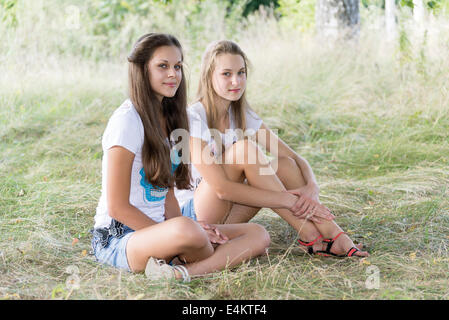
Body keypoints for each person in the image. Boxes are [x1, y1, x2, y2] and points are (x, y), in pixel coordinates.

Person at [90, 34, 271, 282]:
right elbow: (117, 207)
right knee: (189, 230)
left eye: (177, 66)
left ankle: (180, 273)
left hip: (165, 227)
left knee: (258, 234)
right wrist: (183, 232)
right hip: (119, 237)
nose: (173, 74)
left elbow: (169, 195)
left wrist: (183, 230)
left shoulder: (173, 118)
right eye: (163, 66)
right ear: (142, 70)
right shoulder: (126, 121)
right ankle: (192, 252)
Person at [175, 40, 369, 258]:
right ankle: (311, 235)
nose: (236, 81)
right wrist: (288, 199)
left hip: (228, 215)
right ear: (209, 76)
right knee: (245, 150)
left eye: (241, 72)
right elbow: (222, 189)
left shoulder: (240, 114)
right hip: (195, 217)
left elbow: (292, 157)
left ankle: (334, 235)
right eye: (226, 74)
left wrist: (312, 186)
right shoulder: (193, 117)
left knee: (284, 166)